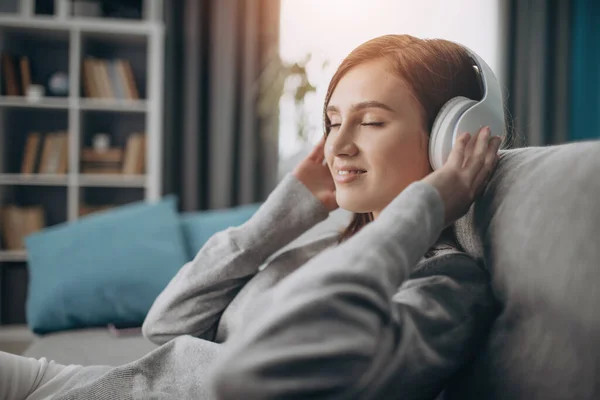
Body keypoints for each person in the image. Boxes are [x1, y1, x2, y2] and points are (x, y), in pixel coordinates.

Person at [0, 34, 503, 400]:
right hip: (62, 382)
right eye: (332, 122)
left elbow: (270, 369)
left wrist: (428, 204)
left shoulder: (444, 285)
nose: (338, 144)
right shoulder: (323, 249)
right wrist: (281, 216)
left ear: (447, 138)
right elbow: (167, 323)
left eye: (371, 121)